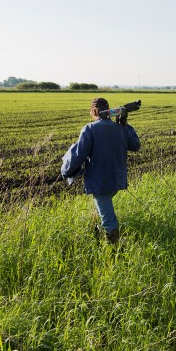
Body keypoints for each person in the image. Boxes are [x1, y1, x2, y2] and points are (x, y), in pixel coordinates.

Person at [61, 97, 141, 243]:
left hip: (100, 181)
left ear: (93, 111)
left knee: (108, 218)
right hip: (117, 180)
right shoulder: (120, 127)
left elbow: (78, 155)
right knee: (103, 209)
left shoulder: (90, 129)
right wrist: (125, 125)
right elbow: (135, 145)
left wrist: (66, 170)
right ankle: (98, 236)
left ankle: (114, 250)